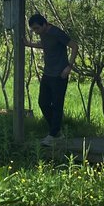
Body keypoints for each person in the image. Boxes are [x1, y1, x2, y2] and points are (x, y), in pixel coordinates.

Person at [24, 13, 77, 146]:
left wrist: (69, 67)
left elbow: (74, 46)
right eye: (34, 29)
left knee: (57, 104)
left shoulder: (56, 32)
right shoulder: (43, 33)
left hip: (60, 74)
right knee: (43, 102)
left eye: (37, 28)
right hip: (48, 73)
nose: (36, 32)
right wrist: (29, 44)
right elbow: (45, 45)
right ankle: (57, 132)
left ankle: (53, 135)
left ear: (45, 24)